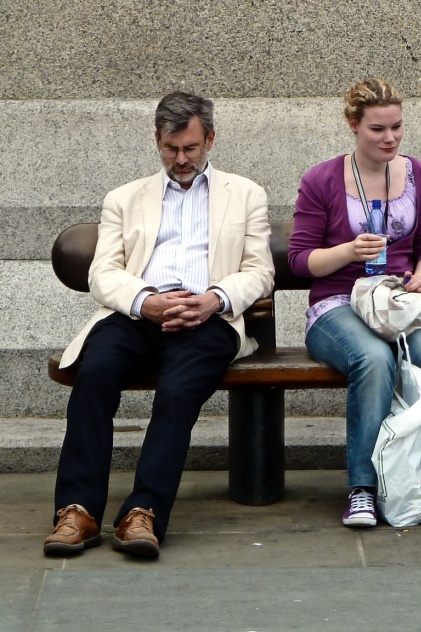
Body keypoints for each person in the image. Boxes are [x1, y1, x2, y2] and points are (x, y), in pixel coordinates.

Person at [44, 92, 275, 558]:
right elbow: (103, 273)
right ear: (157, 139)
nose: (181, 159)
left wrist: (215, 299)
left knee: (178, 391)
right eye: (170, 148)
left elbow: (259, 270)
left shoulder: (245, 194)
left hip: (206, 319)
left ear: (210, 139)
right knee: (94, 374)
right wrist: (145, 300)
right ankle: (77, 510)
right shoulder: (125, 198)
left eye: (190, 148)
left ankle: (143, 512)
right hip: (136, 314)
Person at [288, 78, 421, 528]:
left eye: (397, 128)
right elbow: (301, 260)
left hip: (396, 298)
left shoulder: (415, 173)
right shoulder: (322, 179)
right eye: (377, 130)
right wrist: (348, 251)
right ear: (353, 126)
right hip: (337, 303)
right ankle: (363, 487)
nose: (390, 138)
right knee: (374, 359)